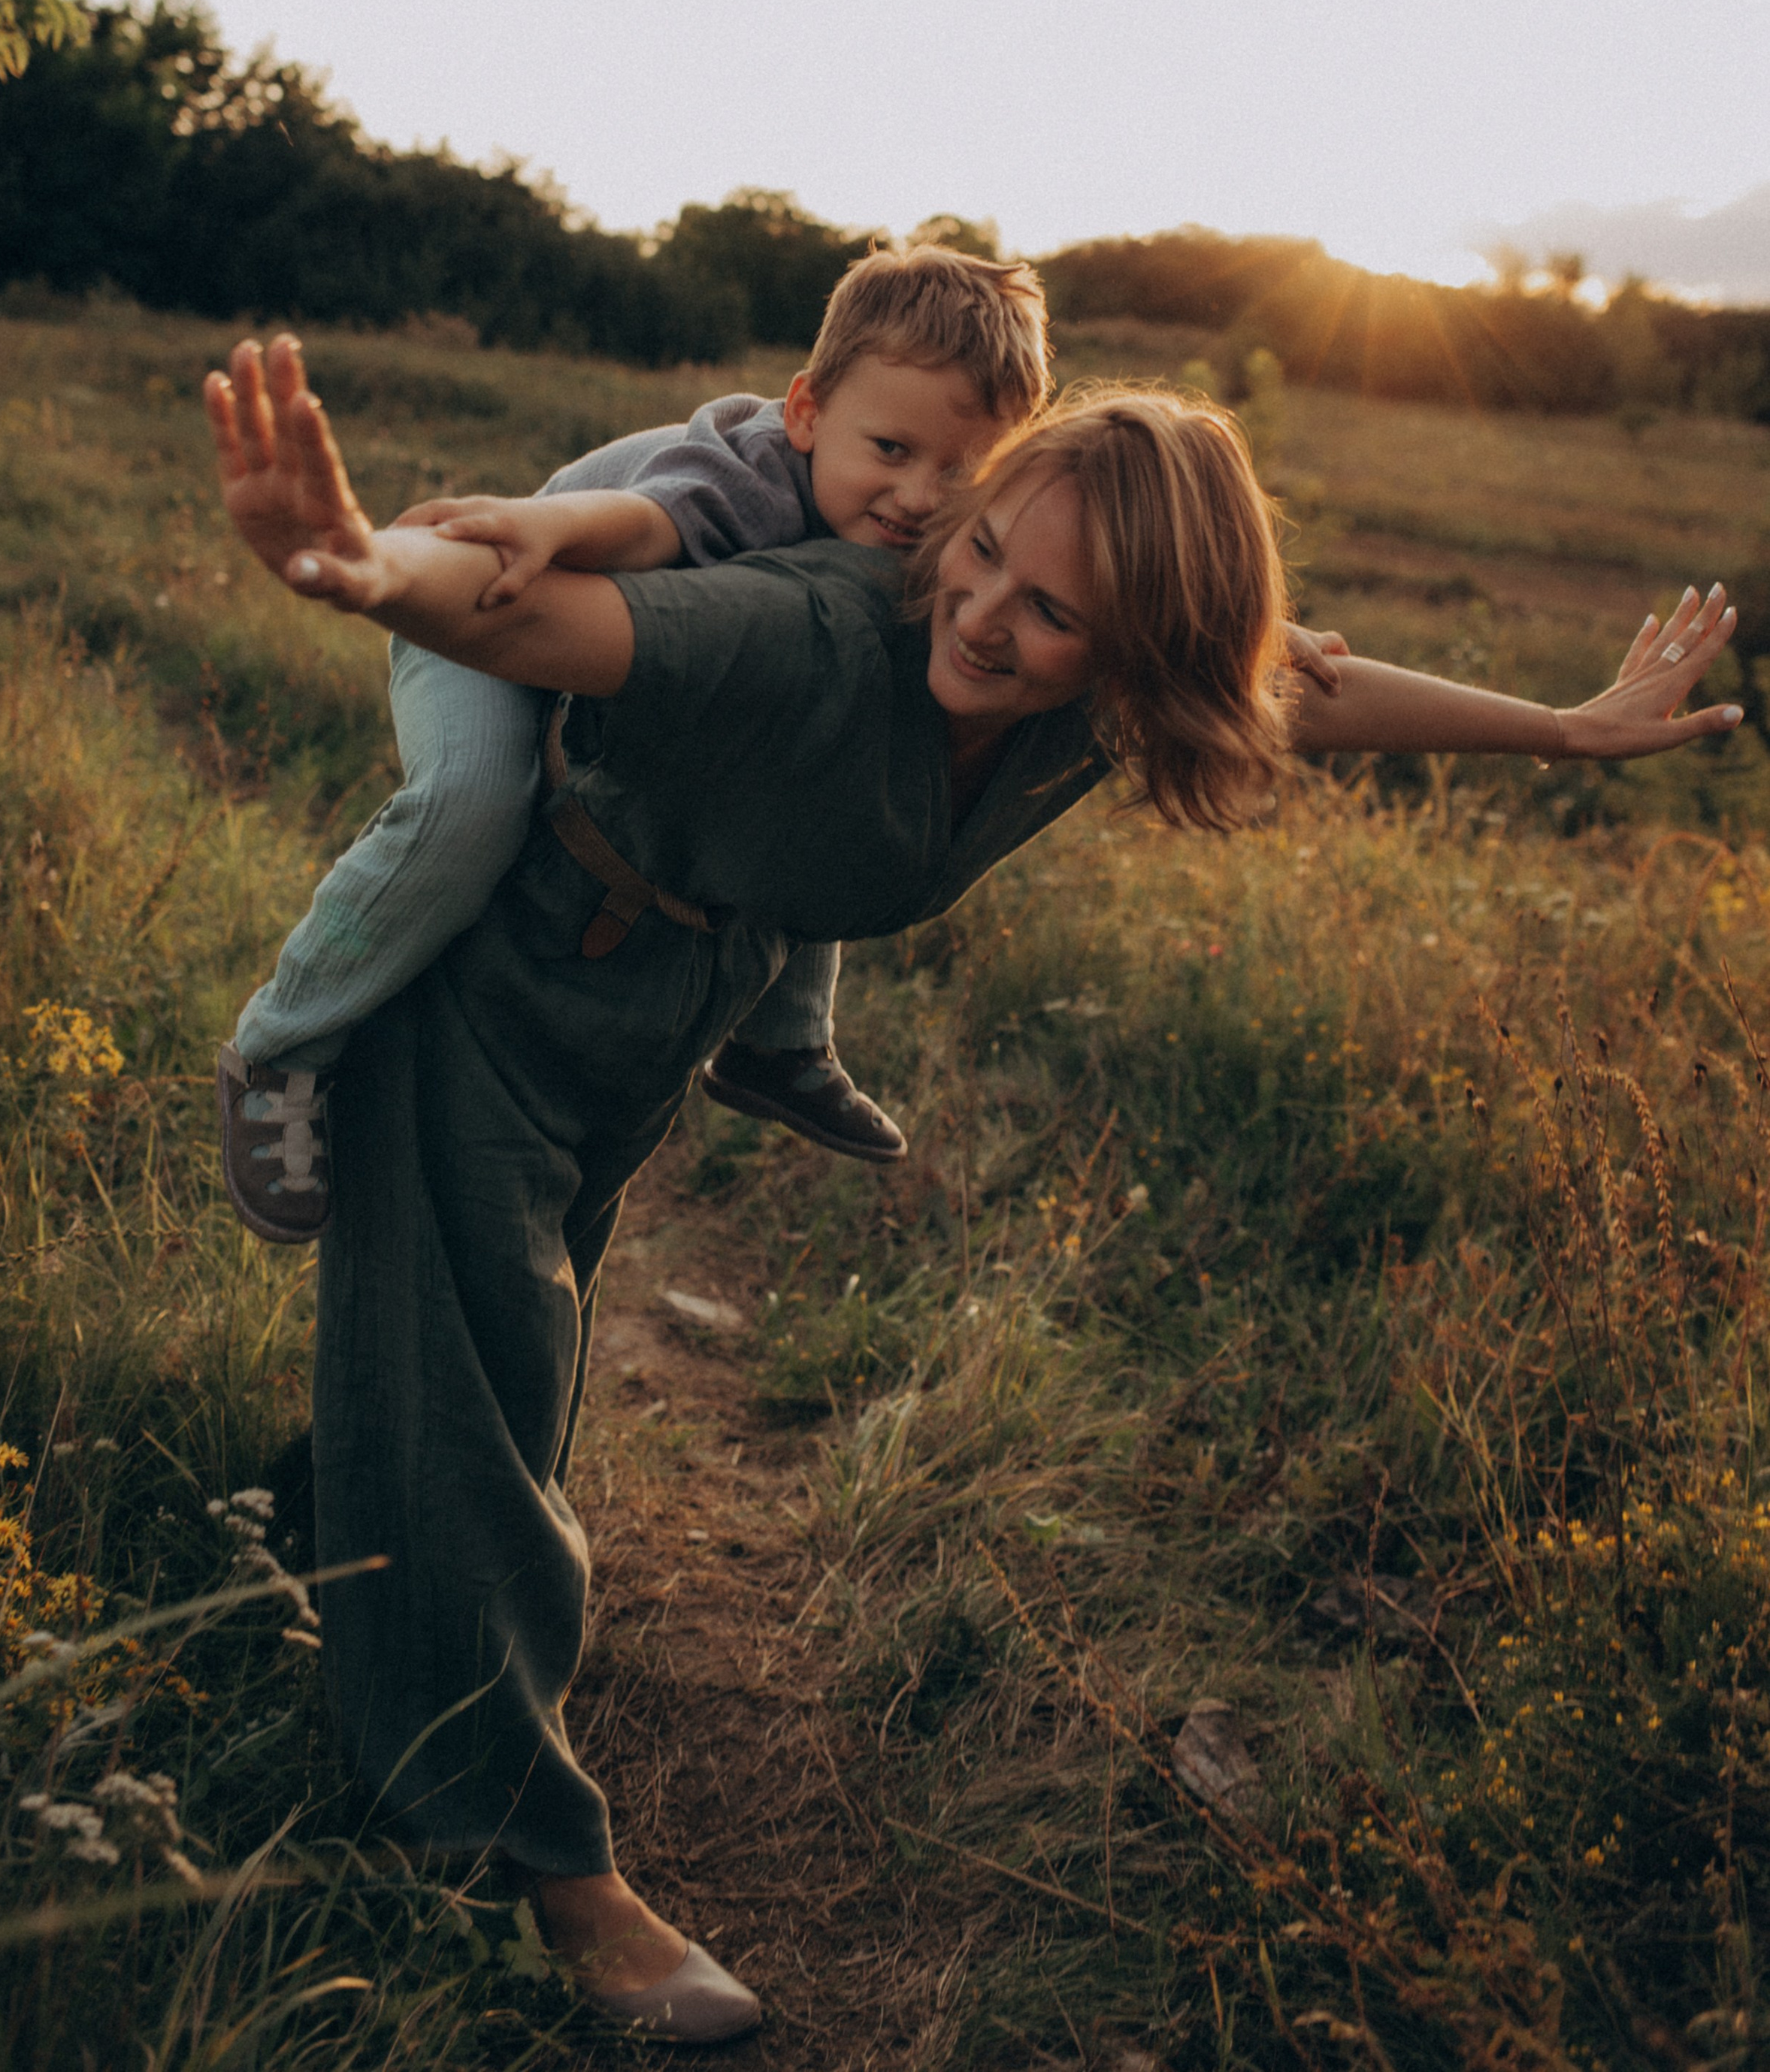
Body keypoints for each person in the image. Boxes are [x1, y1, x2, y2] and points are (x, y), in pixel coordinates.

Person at [205, 332, 1738, 2043]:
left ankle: (303, 1560)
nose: (987, 613)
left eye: (1055, 609)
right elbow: (530, 618)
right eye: (984, 550)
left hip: (659, 1001)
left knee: (480, 1363)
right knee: (478, 1389)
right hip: (501, 979)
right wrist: (356, 568)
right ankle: (526, 1860)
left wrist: (1566, 732)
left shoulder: (1091, 706)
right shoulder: (810, 627)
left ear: (1135, 645)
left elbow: (1305, 686)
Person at [218, 244, 1054, 1244]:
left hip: (619, 654)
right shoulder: (755, 475)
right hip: (498, 607)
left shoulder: (909, 541)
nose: (922, 495)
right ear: (806, 413)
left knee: (837, 745)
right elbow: (653, 522)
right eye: (891, 450)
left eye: (963, 471)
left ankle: (778, 1046)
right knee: (475, 804)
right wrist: (549, 525)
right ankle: (283, 1044)